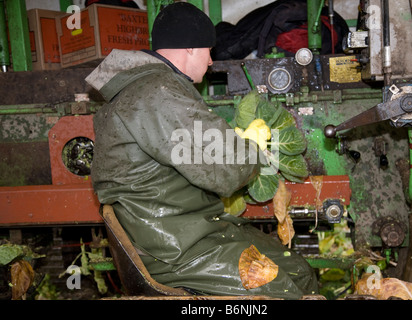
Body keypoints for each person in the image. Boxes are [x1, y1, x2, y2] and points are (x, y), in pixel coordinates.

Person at [86, 2, 318, 299]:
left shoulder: (154, 89)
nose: (211, 61)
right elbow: (228, 171)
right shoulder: (157, 95)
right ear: (190, 48)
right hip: (176, 249)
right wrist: (253, 148)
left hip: (187, 228)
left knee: (299, 270)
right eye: (209, 50)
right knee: (284, 292)